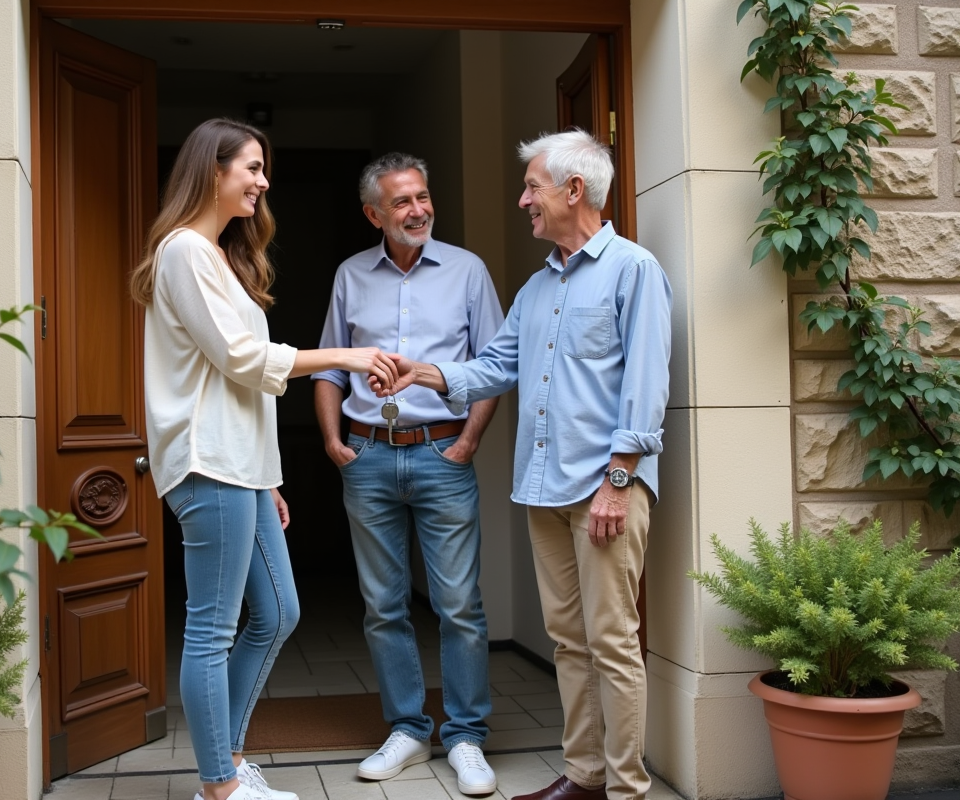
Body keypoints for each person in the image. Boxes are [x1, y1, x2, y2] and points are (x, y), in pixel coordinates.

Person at [376, 130, 672, 800]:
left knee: (613, 643)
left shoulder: (634, 270)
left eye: (532, 187)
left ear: (574, 190)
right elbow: (495, 366)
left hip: (605, 489)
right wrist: (420, 372)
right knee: (569, 642)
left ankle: (626, 789)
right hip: (545, 490)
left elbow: (646, 388)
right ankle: (585, 776)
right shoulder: (538, 287)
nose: (522, 201)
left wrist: (618, 482)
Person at [130, 118, 398, 800]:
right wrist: (344, 355)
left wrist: (269, 479)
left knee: (278, 614)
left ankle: (229, 758)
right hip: (207, 462)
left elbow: (241, 387)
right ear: (211, 171)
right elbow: (243, 361)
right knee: (213, 628)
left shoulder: (219, 255)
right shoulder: (184, 252)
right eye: (251, 167)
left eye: (263, 167)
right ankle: (219, 785)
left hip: (241, 467)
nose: (262, 180)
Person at [312, 153, 505, 796]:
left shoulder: (468, 271)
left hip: (442, 453)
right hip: (367, 457)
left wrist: (471, 438)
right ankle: (406, 730)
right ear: (374, 214)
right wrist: (335, 442)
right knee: (382, 605)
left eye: (423, 196)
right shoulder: (350, 275)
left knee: (459, 605)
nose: (418, 209)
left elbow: (493, 364)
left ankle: (467, 737)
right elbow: (328, 369)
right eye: (401, 202)